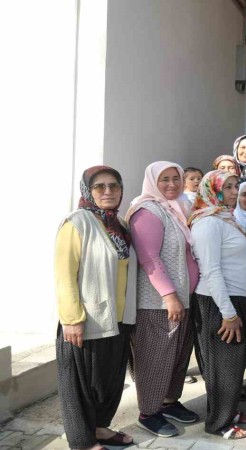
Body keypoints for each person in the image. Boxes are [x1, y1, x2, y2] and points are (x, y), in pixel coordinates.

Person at [55, 166, 136, 450]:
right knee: (82, 385)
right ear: (87, 191)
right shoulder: (77, 223)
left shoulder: (120, 225)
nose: (108, 191)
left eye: (114, 186)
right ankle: (82, 441)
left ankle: (100, 428)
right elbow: (65, 274)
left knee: (109, 380)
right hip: (87, 319)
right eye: (99, 186)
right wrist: (71, 319)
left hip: (118, 319)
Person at [126, 162, 200, 437]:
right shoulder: (147, 211)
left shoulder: (177, 208)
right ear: (152, 182)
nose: (172, 184)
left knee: (178, 356)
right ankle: (149, 412)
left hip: (183, 299)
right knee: (156, 358)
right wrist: (170, 297)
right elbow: (149, 259)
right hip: (158, 303)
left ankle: (168, 402)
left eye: (176, 178)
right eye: (165, 179)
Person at [188, 169, 246, 440]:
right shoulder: (207, 223)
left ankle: (229, 411)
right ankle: (219, 423)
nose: (235, 191)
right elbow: (211, 271)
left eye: (236, 185)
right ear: (212, 191)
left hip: (234, 298)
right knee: (223, 366)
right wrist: (228, 313)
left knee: (233, 363)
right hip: (219, 302)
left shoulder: (225, 218)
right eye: (227, 187)